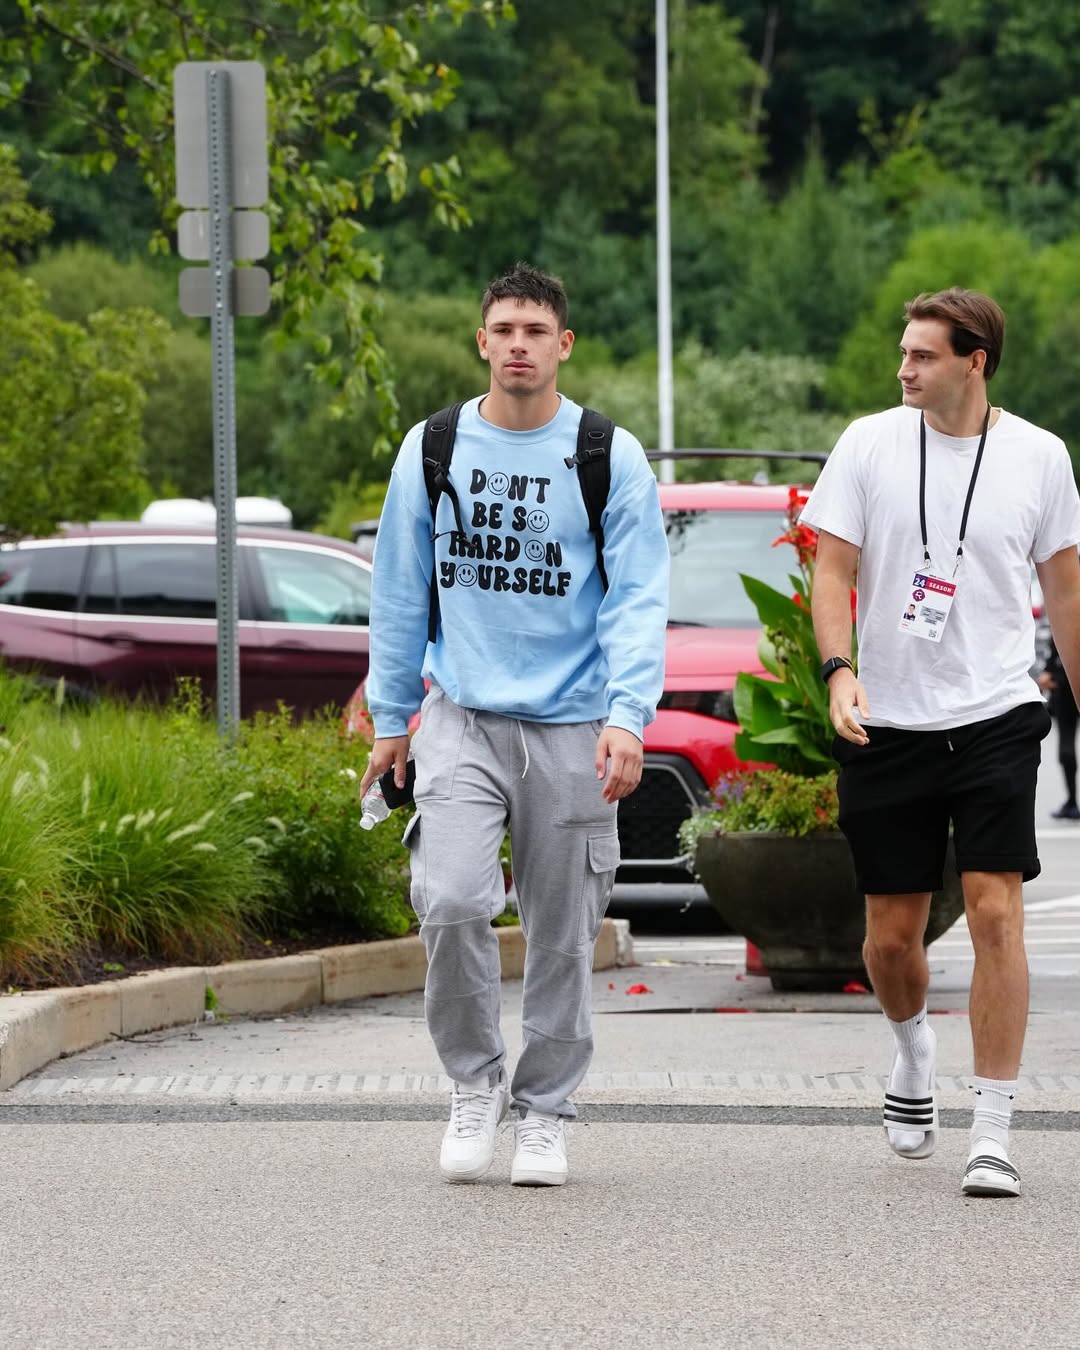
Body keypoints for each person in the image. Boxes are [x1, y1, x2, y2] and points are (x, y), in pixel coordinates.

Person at [359, 263, 669, 1186]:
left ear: (562, 344)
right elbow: (399, 591)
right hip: (462, 719)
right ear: (482, 341)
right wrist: (391, 718)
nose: (519, 345)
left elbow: (638, 599)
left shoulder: (608, 454)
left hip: (574, 727)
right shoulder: (435, 447)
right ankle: (474, 1083)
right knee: (452, 899)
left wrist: (628, 716)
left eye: (536, 330)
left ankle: (543, 1113)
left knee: (563, 935)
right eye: (504, 330)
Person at [800, 287, 1080, 1198]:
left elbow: (1066, 593)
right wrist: (839, 671)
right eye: (904, 352)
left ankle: (993, 1128)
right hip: (888, 719)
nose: (904, 368)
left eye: (922, 355)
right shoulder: (867, 444)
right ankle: (913, 1046)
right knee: (890, 942)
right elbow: (832, 569)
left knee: (997, 912)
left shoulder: (1039, 456)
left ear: (975, 362)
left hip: (996, 715)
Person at [1038, 633, 1079, 819]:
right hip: (1064, 689)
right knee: (1066, 746)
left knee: (1066, 746)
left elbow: (1059, 657)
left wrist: (1051, 676)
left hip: (1065, 689)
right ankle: (1071, 801)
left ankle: (1072, 802)